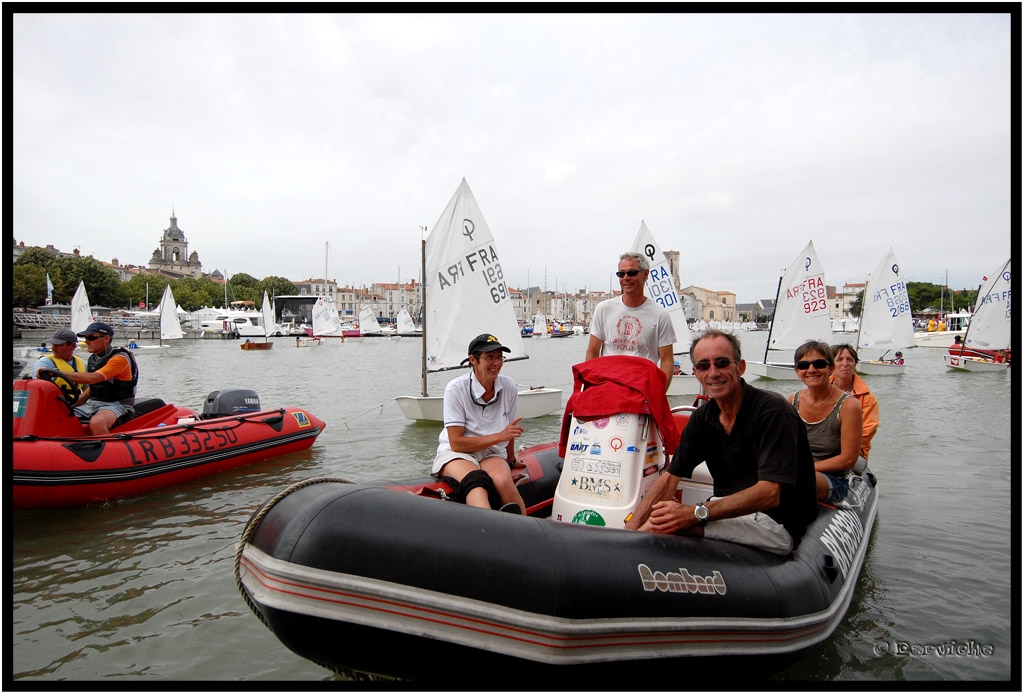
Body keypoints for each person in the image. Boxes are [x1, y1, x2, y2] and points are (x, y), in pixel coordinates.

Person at [625, 330, 818, 556]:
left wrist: (692, 513)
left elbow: (769, 494)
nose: (713, 373)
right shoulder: (703, 419)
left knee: (664, 525)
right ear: (696, 373)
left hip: (777, 522)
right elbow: (669, 479)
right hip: (726, 510)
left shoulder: (773, 412)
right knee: (659, 521)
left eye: (722, 363)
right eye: (704, 366)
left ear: (740, 367)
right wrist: (630, 530)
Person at [432, 333, 526, 514]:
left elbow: (510, 429)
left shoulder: (509, 387)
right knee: (476, 482)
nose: (496, 363)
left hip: (491, 452)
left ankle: (528, 534)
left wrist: (511, 459)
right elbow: (456, 442)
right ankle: (488, 533)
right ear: (473, 360)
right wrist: (500, 436)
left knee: (503, 481)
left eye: (499, 357)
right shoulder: (455, 389)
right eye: (489, 357)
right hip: (457, 453)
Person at [585, 252, 677, 390]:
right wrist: (592, 387)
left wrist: (658, 395)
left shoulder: (660, 315)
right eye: (621, 274)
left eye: (632, 273)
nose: (626, 278)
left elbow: (667, 360)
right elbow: (593, 351)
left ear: (646, 274)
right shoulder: (604, 308)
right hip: (607, 387)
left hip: (643, 389)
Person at [787, 341, 863, 504]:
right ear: (797, 371)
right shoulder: (793, 401)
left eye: (819, 364)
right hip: (794, 472)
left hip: (832, 479)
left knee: (800, 480)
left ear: (831, 369)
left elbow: (848, 460)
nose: (812, 370)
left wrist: (802, 470)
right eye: (804, 365)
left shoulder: (848, 406)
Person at [45, 322, 139, 435]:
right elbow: (94, 387)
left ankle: (108, 450)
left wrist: (56, 372)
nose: (86, 341)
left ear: (106, 338)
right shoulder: (93, 359)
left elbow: (93, 379)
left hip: (118, 405)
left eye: (91, 338)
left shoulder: (119, 358)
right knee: (56, 417)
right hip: (93, 404)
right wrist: (71, 404)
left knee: (97, 423)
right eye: (85, 338)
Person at [830, 344, 879, 467]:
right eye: (839, 360)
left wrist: (831, 446)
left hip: (855, 454)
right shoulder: (819, 390)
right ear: (831, 365)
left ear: (855, 364)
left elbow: (866, 433)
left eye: (850, 360)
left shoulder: (867, 398)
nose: (845, 364)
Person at [32, 328, 86, 402]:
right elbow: (38, 390)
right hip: (52, 405)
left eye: (58, 345)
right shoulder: (45, 362)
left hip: (76, 405)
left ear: (73, 346)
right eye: (53, 344)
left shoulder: (83, 364)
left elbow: (89, 390)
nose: (53, 348)